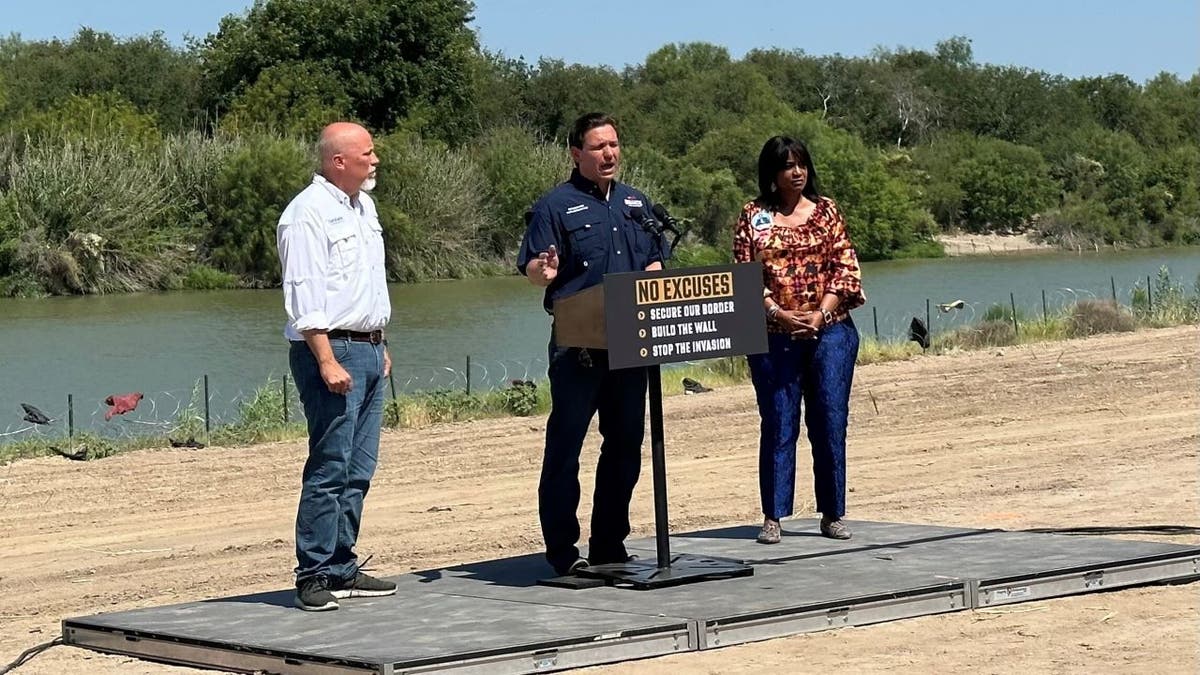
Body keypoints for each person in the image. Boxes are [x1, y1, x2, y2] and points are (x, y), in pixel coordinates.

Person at [517, 112, 664, 576]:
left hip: (630, 343)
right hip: (577, 347)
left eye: (615, 145)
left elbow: (656, 262)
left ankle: (609, 544)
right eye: (599, 147)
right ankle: (563, 551)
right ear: (576, 153)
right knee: (566, 447)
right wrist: (542, 272)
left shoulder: (637, 205)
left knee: (624, 445)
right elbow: (535, 269)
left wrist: (657, 274)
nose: (609, 154)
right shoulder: (553, 207)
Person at [277, 122, 397, 611]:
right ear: (338, 161)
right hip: (331, 350)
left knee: (360, 465)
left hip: (367, 347)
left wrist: (380, 344)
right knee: (330, 464)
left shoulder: (363, 207)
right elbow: (304, 294)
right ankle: (313, 574)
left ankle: (342, 564)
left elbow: (365, 285)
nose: (375, 161)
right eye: (367, 154)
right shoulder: (306, 214)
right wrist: (325, 358)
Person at [732, 135, 865, 545]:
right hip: (774, 335)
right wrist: (778, 313)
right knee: (778, 423)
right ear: (772, 172)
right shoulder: (753, 215)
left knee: (829, 422)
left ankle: (832, 514)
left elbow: (846, 268)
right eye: (788, 165)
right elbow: (743, 276)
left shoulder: (827, 211)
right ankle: (773, 516)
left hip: (831, 332)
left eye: (802, 163)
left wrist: (821, 313)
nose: (797, 171)